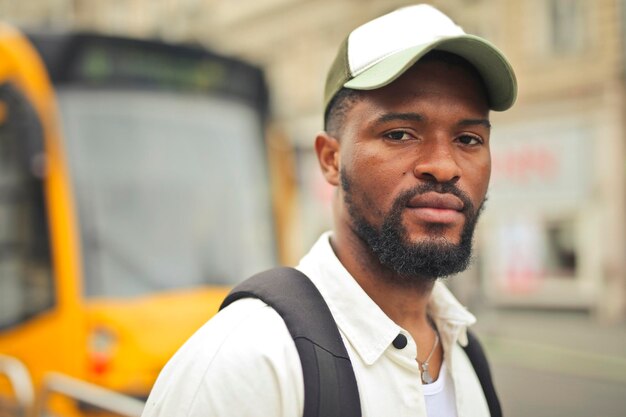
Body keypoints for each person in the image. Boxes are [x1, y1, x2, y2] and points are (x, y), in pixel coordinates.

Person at [142, 4, 517, 417]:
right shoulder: (248, 362)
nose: (444, 167)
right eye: (399, 134)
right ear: (329, 159)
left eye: (468, 139)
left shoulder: (466, 356)